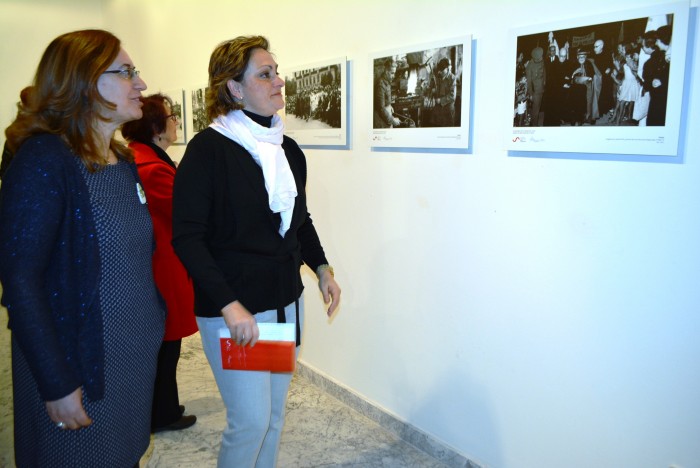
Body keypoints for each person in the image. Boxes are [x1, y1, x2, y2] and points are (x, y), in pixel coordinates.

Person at [171, 35, 341, 467]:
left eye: (276, 71)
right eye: (265, 74)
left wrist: (321, 268)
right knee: (249, 421)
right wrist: (230, 306)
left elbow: (298, 220)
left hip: (281, 303)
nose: (279, 80)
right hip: (238, 313)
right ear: (234, 88)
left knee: (273, 416)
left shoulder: (287, 149)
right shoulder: (207, 151)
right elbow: (187, 238)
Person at [0, 29, 164, 467]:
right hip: (81, 364)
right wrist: (55, 381)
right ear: (84, 83)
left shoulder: (121, 160)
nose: (140, 84)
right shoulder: (44, 161)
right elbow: (20, 279)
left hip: (131, 353)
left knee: (126, 455)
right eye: (126, 72)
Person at [121, 93, 198, 434]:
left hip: (156, 261)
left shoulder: (141, 158)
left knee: (163, 346)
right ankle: (162, 414)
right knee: (166, 347)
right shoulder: (151, 168)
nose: (176, 122)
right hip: (163, 266)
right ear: (156, 127)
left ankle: (163, 406)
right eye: (172, 117)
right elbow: (188, 212)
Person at [429, 57, 457, 127]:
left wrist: (440, 100)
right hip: (439, 110)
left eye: (442, 70)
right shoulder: (439, 77)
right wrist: (434, 90)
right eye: (439, 70)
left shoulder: (452, 78)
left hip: (448, 111)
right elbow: (438, 89)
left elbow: (452, 96)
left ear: (447, 68)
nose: (440, 72)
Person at [373, 58, 400, 128]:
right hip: (381, 119)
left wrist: (389, 105)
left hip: (386, 115)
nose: (393, 76)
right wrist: (392, 120)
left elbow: (385, 98)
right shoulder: (381, 85)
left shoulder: (387, 82)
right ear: (386, 71)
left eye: (394, 73)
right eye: (392, 73)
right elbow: (381, 108)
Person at [525, 46, 546, 126]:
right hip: (535, 92)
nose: (542, 57)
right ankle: (534, 126)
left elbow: (544, 71)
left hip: (541, 89)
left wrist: (544, 82)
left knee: (538, 107)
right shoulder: (530, 66)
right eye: (540, 56)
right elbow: (529, 82)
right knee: (535, 111)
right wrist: (530, 94)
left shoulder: (541, 61)